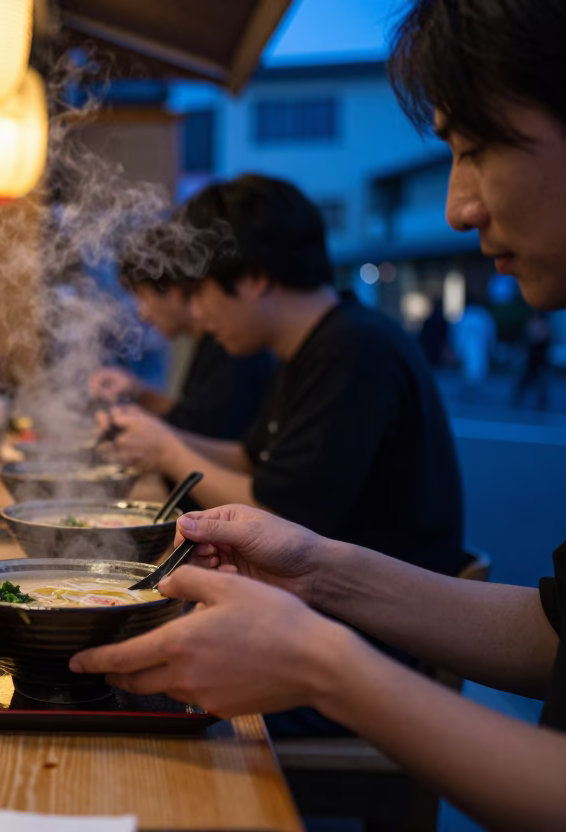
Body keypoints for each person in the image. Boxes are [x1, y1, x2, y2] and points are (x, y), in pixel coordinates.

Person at [71, 0, 566, 825]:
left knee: (120, 719)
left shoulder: (354, 348)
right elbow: (555, 632)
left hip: (385, 658)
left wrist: (322, 663)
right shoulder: (309, 351)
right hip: (364, 634)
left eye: (475, 149)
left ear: (253, 278)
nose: (458, 207)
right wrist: (315, 569)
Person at [102, 174, 465, 580]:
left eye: (200, 291)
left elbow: (278, 521)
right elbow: (249, 457)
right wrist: (154, 437)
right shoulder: (312, 343)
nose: (199, 313)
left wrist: (168, 450)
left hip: (377, 620)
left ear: (254, 278)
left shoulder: (354, 350)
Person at [90, 247, 274, 442]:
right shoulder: (209, 345)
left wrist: (159, 444)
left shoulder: (233, 346)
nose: (141, 313)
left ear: (175, 293)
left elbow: (212, 440)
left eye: (143, 296)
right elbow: (197, 416)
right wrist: (138, 393)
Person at [513, 311, 553, 410]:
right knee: (526, 380)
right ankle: (518, 398)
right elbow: (527, 339)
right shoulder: (532, 325)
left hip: (540, 358)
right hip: (531, 358)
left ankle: (541, 402)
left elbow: (544, 340)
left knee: (540, 382)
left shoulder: (544, 327)